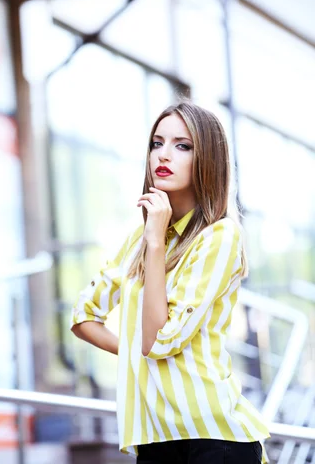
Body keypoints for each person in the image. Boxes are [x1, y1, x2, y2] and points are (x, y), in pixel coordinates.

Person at [70, 99, 270, 464]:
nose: (164, 155)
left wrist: (157, 243)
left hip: (212, 436)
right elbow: (84, 316)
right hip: (153, 438)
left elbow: (157, 340)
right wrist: (153, 237)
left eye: (182, 146)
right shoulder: (142, 237)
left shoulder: (220, 236)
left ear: (207, 158)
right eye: (156, 143)